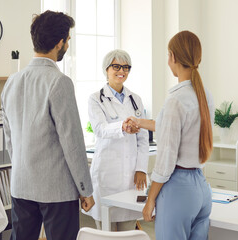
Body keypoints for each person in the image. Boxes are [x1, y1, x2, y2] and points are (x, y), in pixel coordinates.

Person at [1, 11, 94, 240]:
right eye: (68, 41)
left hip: (21, 184)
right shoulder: (59, 82)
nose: (68, 45)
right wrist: (85, 189)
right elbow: (72, 142)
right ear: (59, 43)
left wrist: (23, 167)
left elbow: (9, 137)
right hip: (57, 191)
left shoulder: (12, 81)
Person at [126, 31, 214, 240]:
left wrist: (150, 200)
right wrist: (138, 121)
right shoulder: (203, 94)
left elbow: (166, 161)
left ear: (173, 57)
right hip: (201, 188)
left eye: (168, 55)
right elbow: (171, 127)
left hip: (179, 190)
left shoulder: (176, 99)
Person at [84, 49, 149, 231]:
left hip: (130, 178)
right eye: (116, 66)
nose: (122, 71)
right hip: (107, 176)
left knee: (128, 231)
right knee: (106, 231)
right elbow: (100, 129)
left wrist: (141, 169)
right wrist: (123, 126)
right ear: (106, 69)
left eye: (126, 67)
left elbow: (142, 139)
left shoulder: (135, 99)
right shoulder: (95, 99)